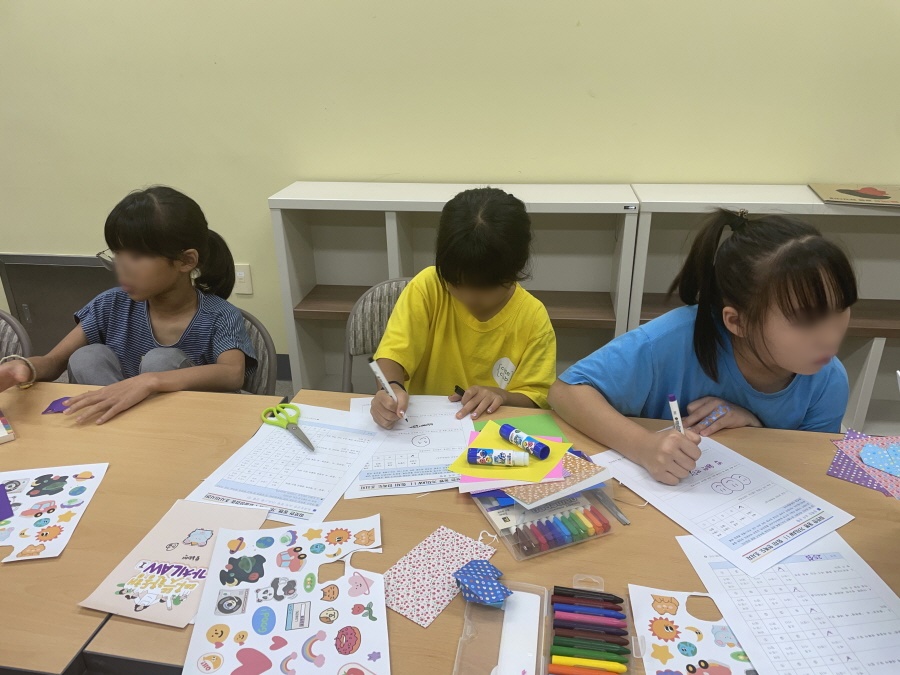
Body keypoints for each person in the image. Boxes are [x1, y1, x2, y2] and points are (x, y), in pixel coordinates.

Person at [549, 209, 857, 484]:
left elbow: (809, 468)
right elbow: (566, 392)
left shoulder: (828, 379)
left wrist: (755, 424)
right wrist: (643, 446)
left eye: (841, 308)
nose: (830, 337)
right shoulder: (670, 340)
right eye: (806, 320)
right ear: (737, 322)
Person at [0, 186, 256, 423]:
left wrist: (152, 380)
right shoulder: (110, 304)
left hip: (189, 425)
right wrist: (24, 367)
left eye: (136, 256)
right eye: (117, 255)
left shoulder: (220, 315)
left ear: (186, 261)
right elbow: (55, 361)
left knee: (161, 360)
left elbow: (232, 373)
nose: (122, 269)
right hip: (122, 427)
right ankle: (125, 433)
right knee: (86, 357)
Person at [369, 187, 557, 429]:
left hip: (494, 433)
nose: (468, 296)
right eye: (456, 283)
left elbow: (536, 398)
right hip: (422, 428)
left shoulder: (532, 317)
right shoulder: (427, 288)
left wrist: (502, 396)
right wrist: (391, 389)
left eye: (484, 288)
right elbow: (392, 356)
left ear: (515, 270)